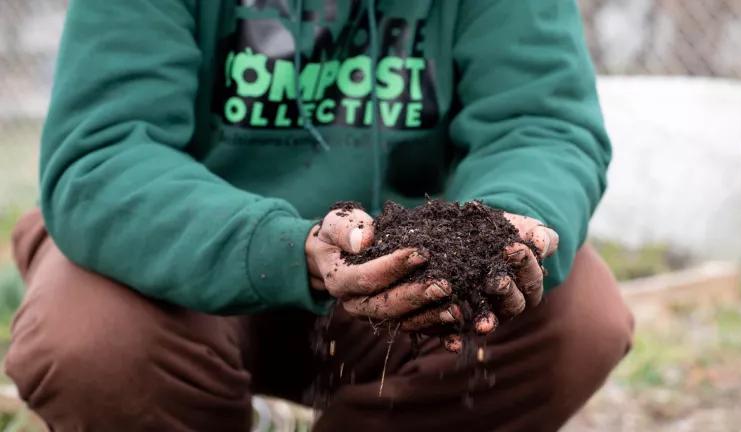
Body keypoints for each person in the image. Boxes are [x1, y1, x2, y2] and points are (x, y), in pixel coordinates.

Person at [6, 0, 634, 430]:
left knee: (579, 319)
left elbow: (541, 124)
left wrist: (498, 228)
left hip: (404, 280)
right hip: (186, 273)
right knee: (90, 341)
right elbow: (106, 154)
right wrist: (286, 248)